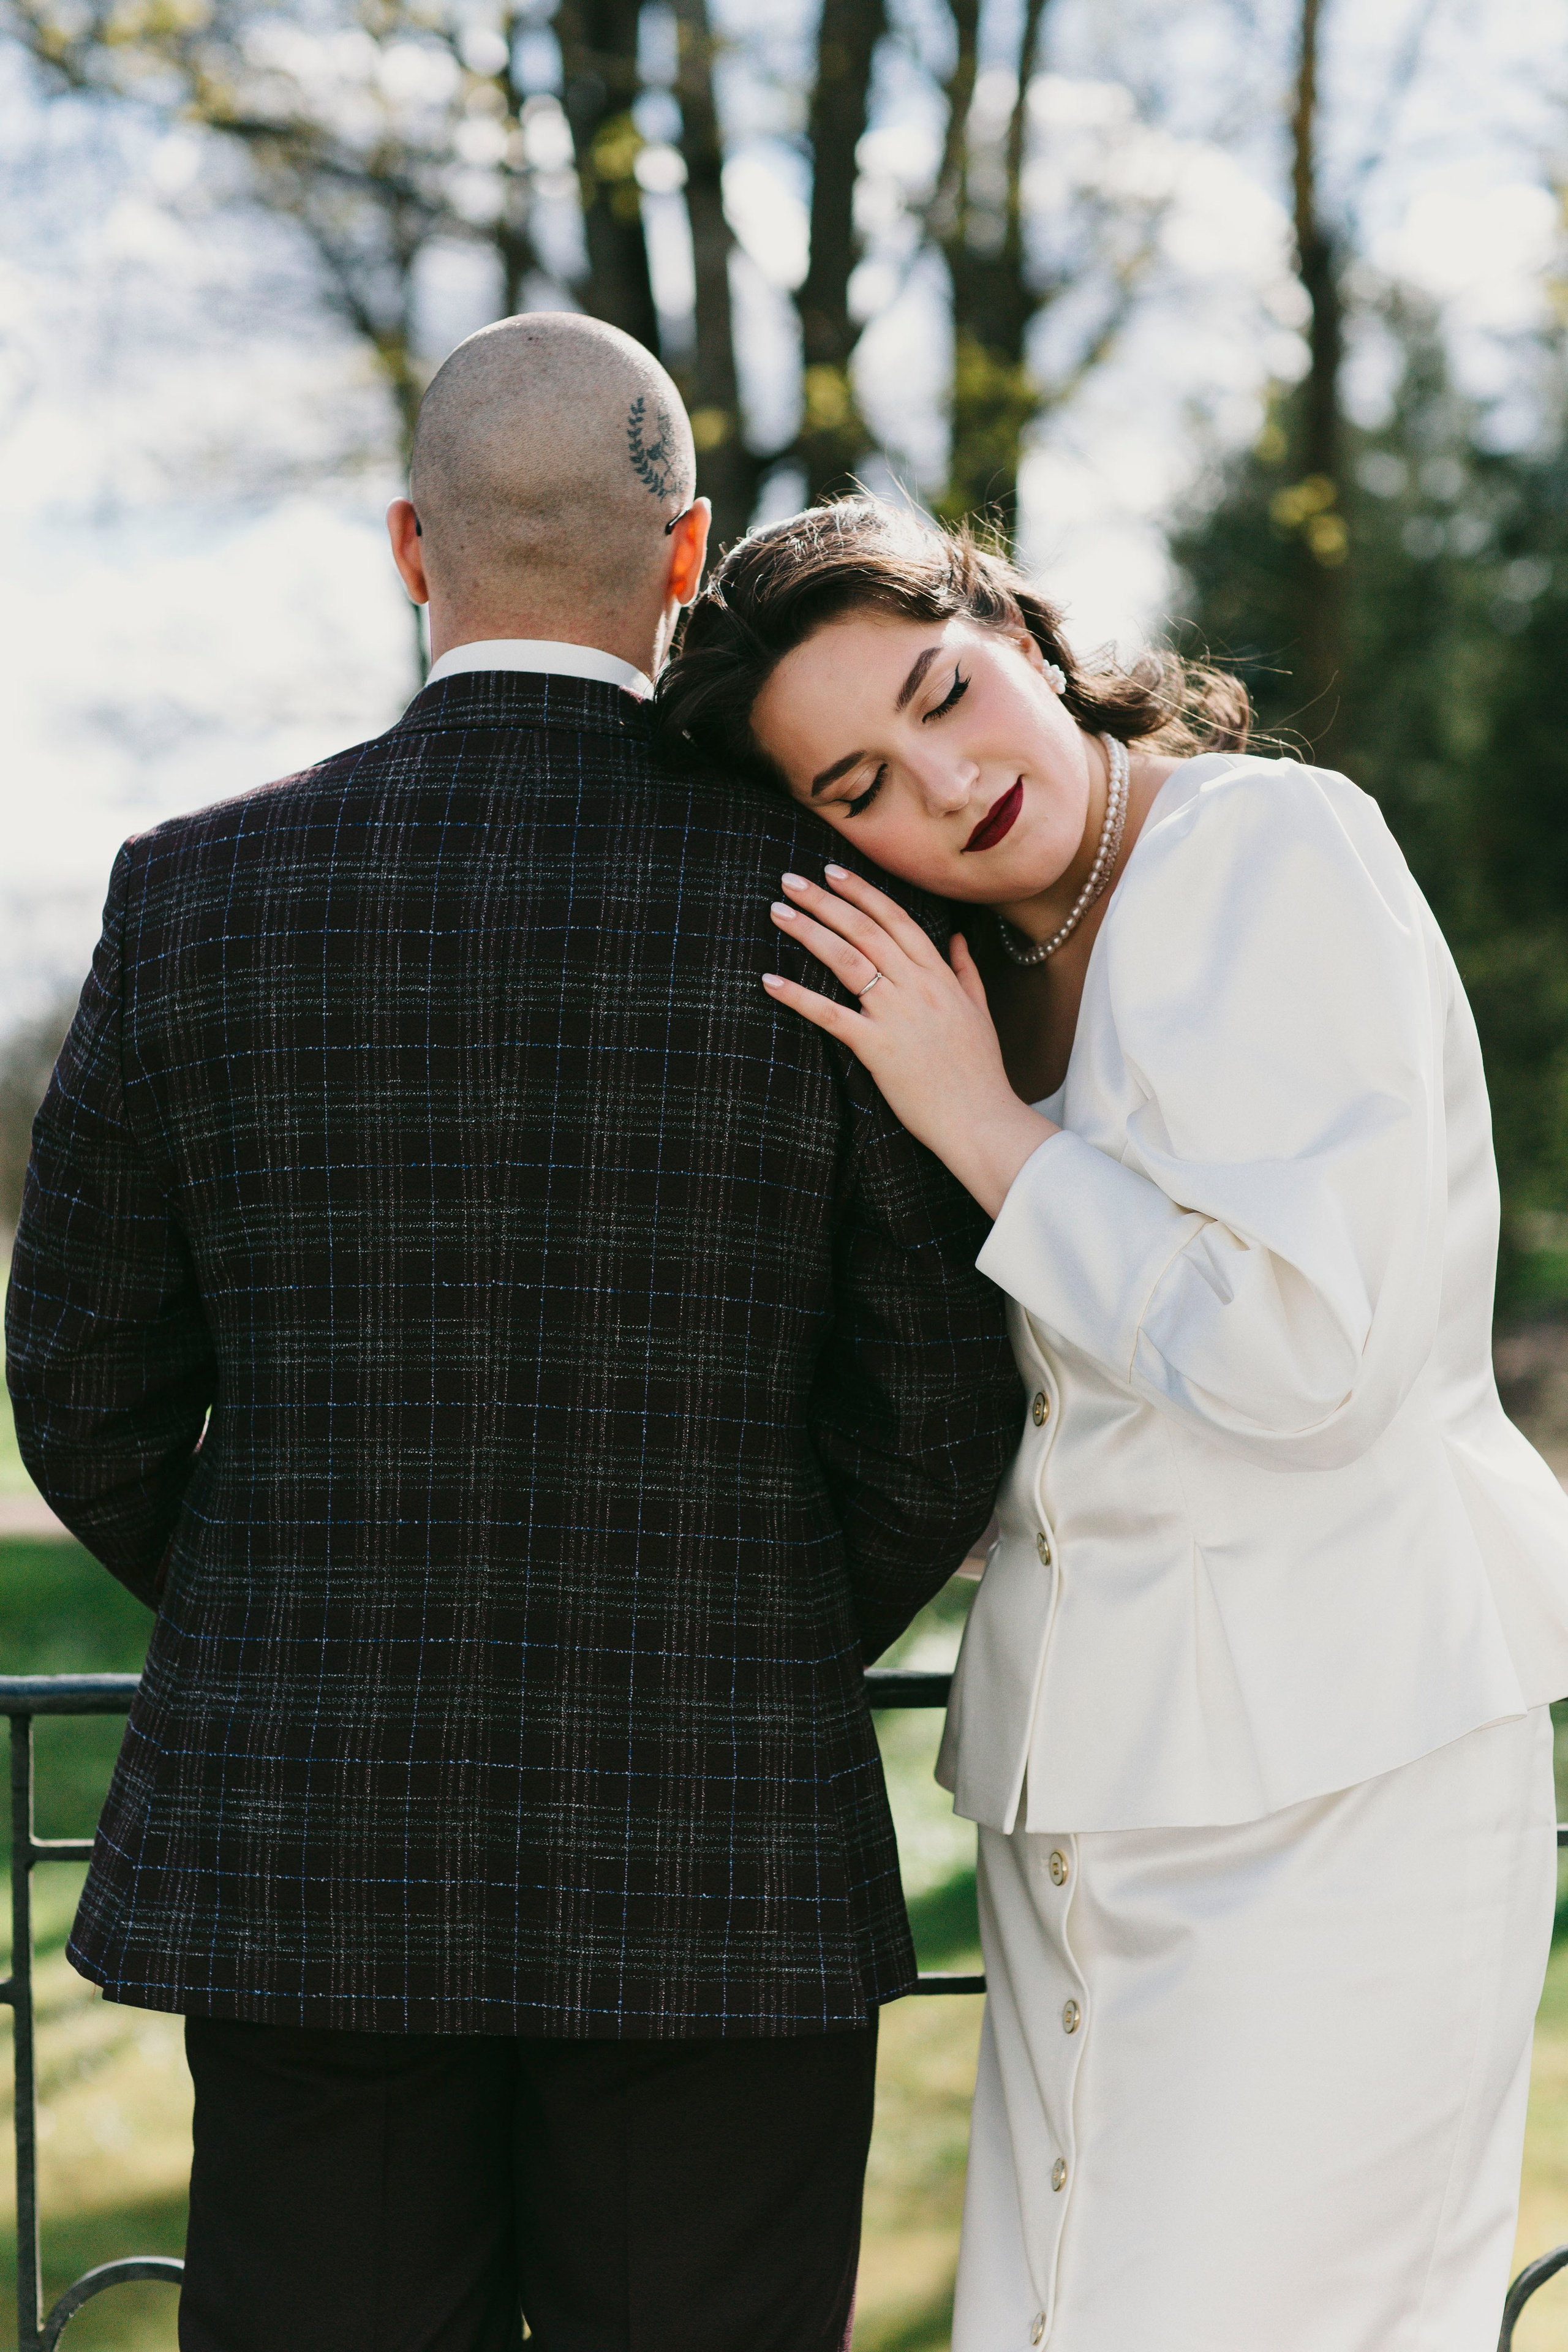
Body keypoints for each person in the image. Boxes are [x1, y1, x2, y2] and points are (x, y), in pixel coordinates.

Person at [4, 336, 1020, 2352]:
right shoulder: (835, 902)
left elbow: (86, 1392)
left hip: (312, 1863)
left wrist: (294, 1609)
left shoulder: (196, 894)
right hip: (721, 1866)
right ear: (687, 554)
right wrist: (742, 1632)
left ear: (411, 545)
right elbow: (936, 1408)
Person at [654, 493, 1568, 2352]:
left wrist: (982, 1129)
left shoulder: (1269, 849)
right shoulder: (969, 973)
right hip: (1087, 1793)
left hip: (1343, 1769)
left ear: (1011, 618)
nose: (944, 779)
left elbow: (1310, 1356)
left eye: (942, 690)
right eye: (858, 788)